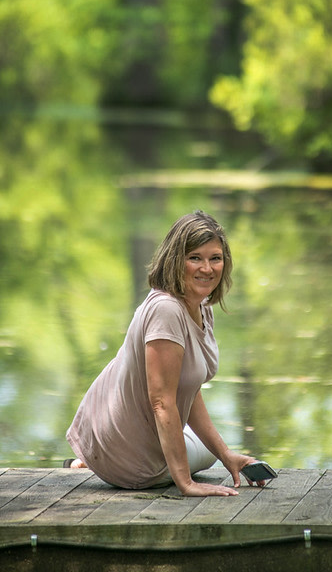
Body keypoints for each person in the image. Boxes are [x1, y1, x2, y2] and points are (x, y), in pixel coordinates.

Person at [65, 210, 266, 496]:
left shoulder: (200, 306)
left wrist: (226, 455)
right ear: (175, 260)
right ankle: (105, 458)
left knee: (210, 454)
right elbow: (161, 402)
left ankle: (88, 461)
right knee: (195, 452)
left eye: (215, 258)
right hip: (134, 460)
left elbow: (187, 388)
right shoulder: (167, 310)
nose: (207, 268)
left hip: (129, 437)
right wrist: (186, 483)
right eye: (195, 257)